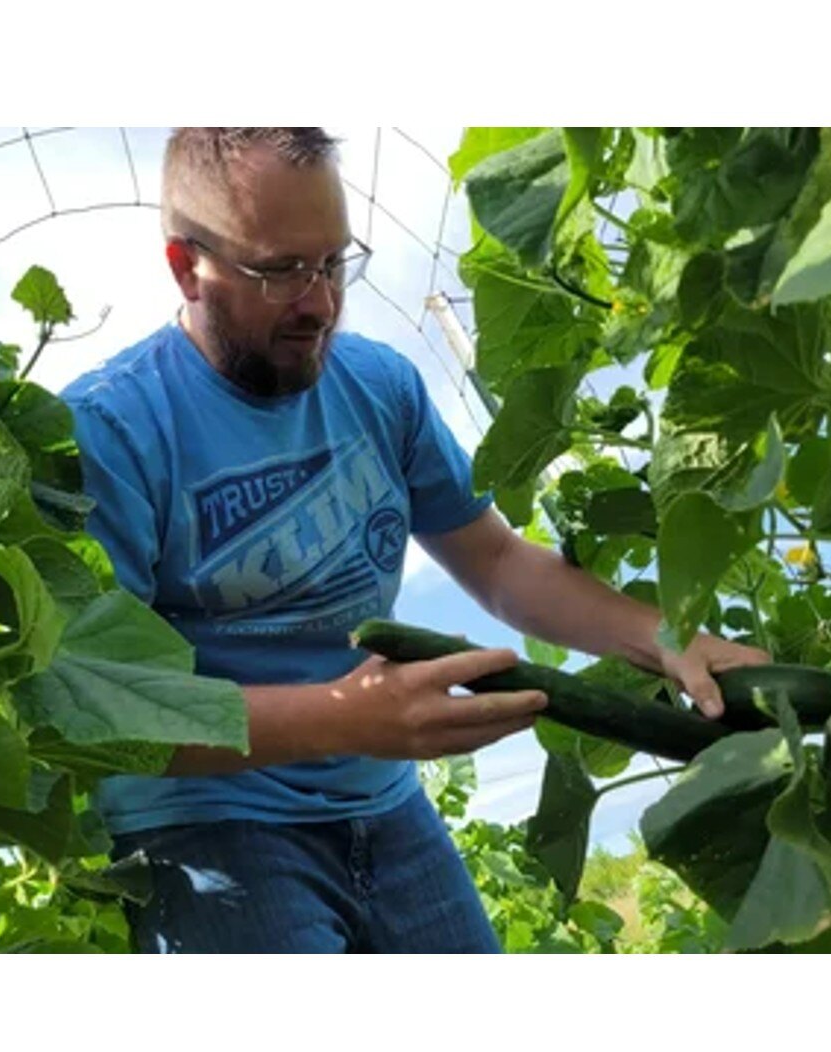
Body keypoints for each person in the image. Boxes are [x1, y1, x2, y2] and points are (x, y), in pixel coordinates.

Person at [61, 127, 768, 953]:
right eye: (280, 270)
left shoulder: (379, 385)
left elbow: (500, 565)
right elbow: (100, 710)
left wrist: (664, 637)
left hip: (385, 804)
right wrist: (337, 717)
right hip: (205, 826)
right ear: (187, 267)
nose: (320, 302)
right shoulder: (109, 429)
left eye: (333, 262)